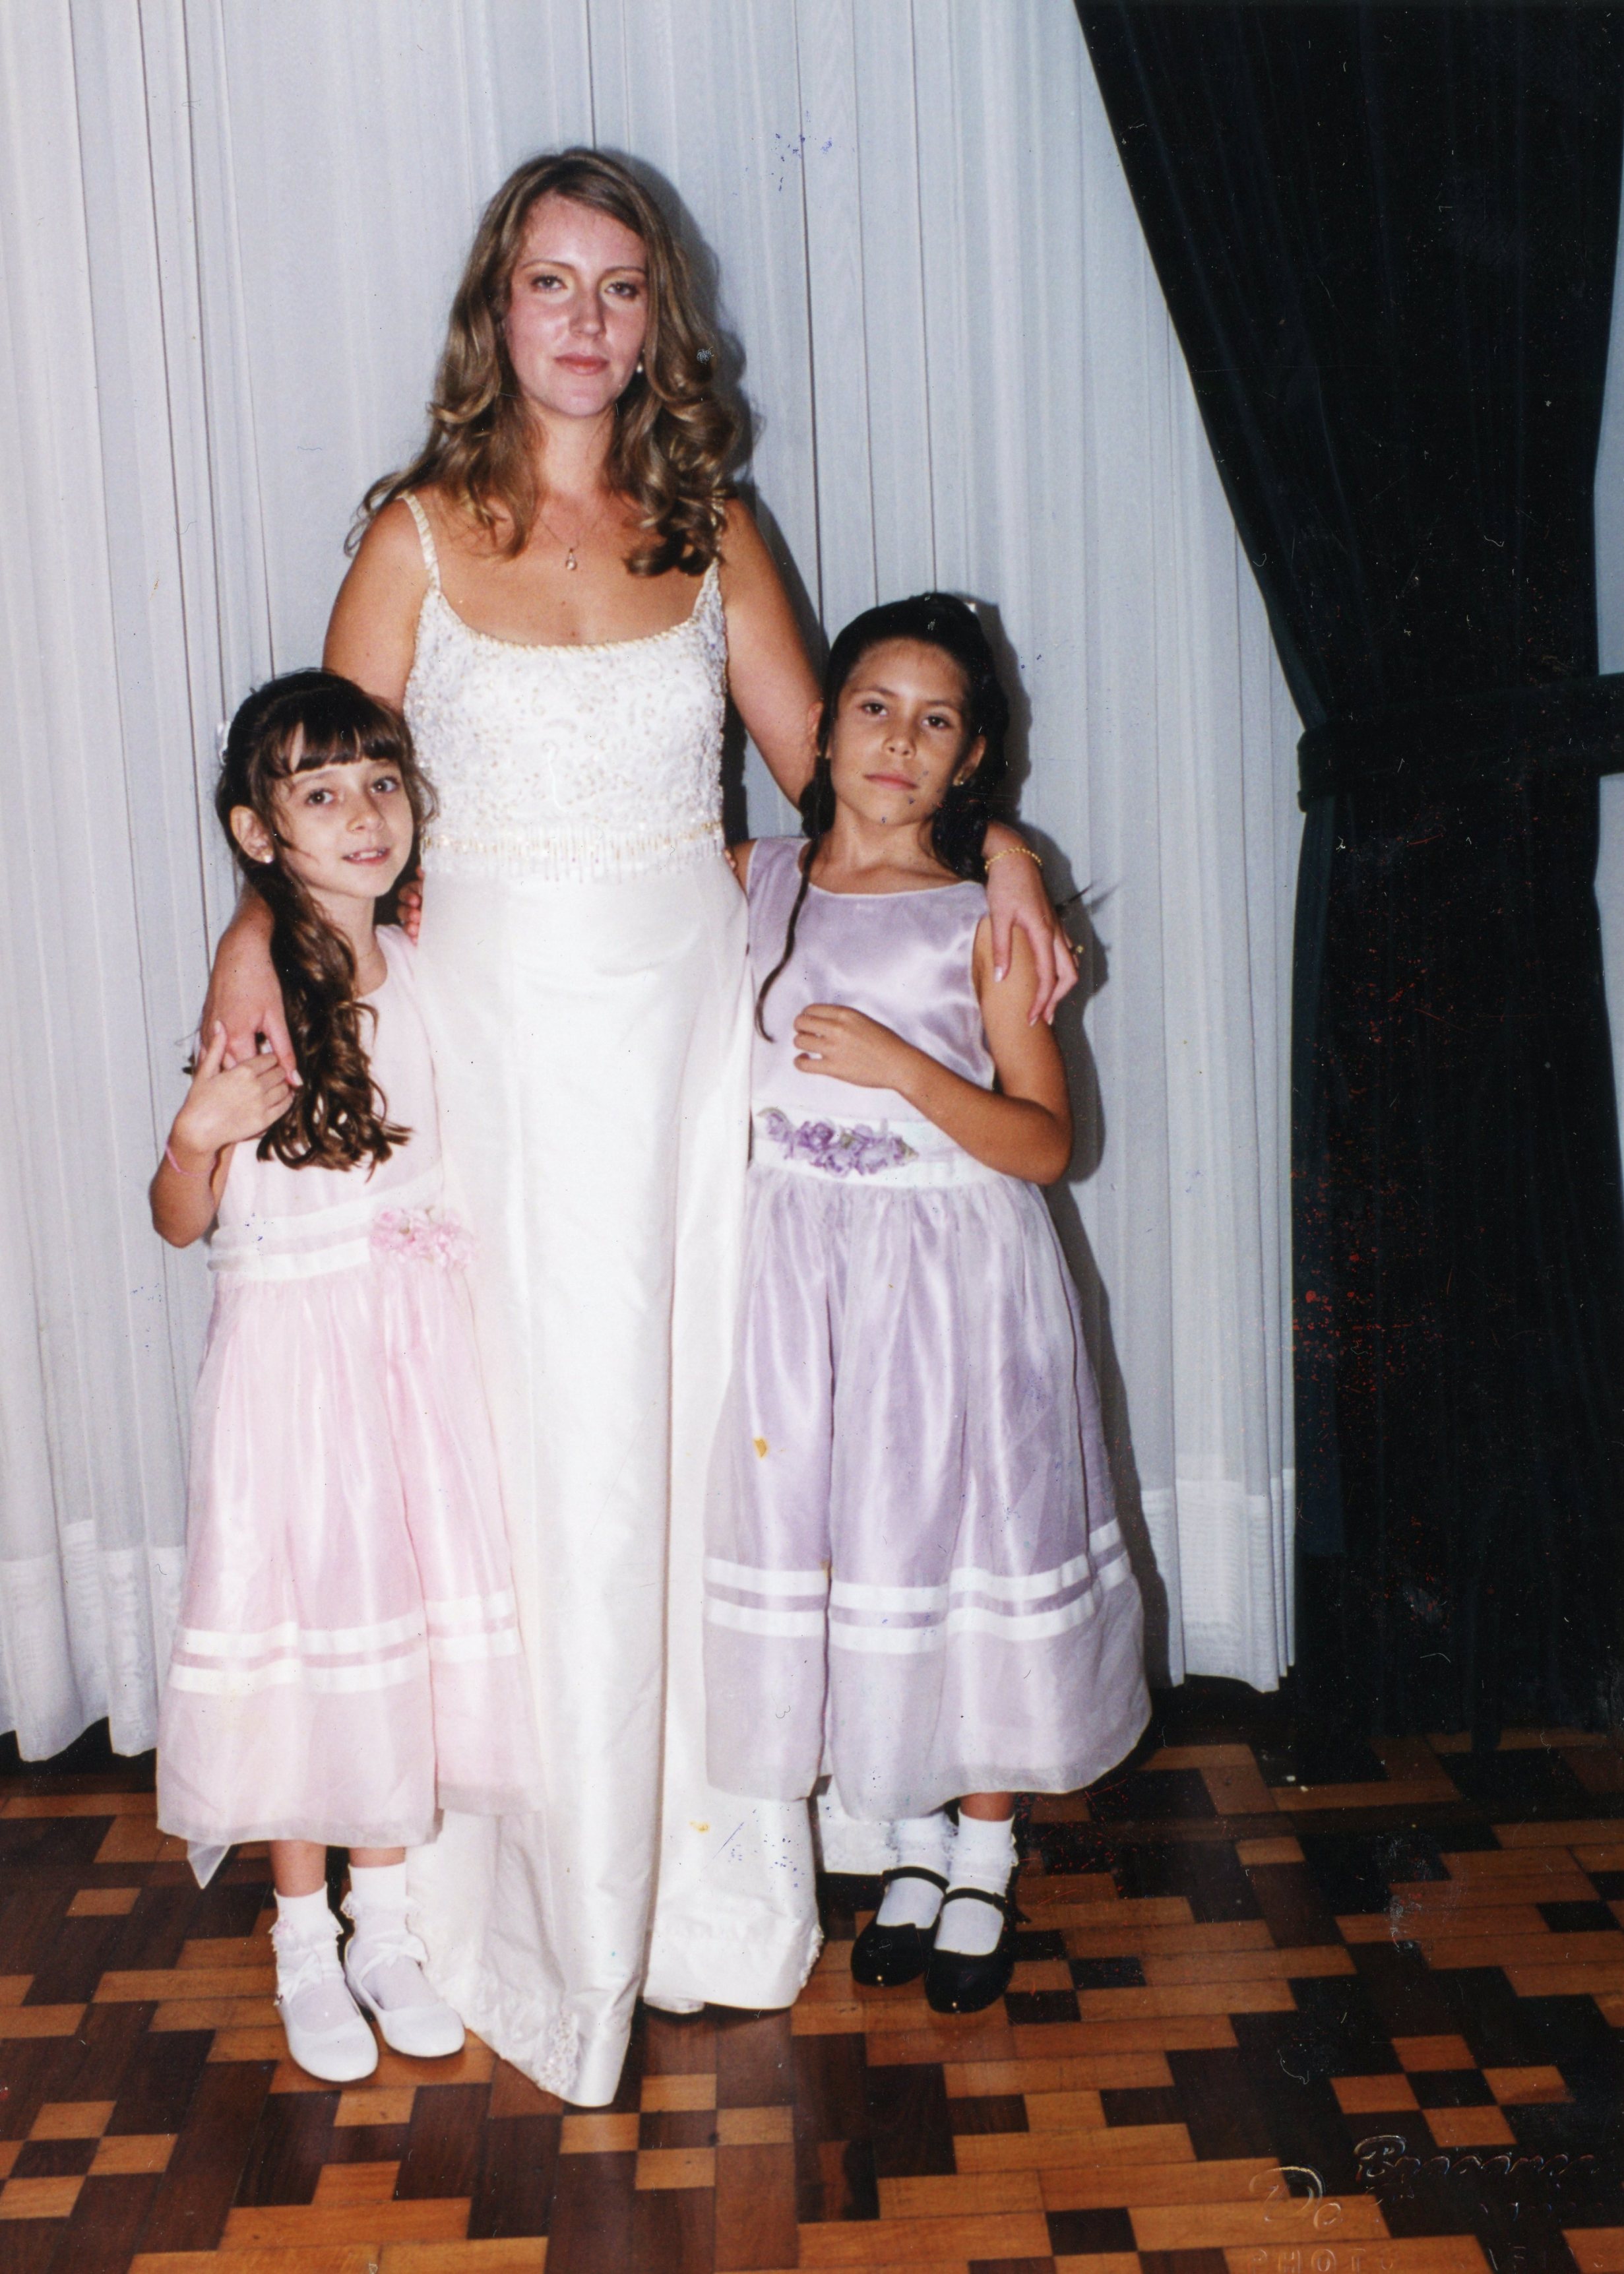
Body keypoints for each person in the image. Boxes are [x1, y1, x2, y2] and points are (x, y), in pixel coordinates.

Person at [203, 150, 1076, 2104]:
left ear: (657, 318)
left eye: (619, 287)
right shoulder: (414, 537)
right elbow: (313, 794)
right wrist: (251, 950)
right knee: (518, 1451)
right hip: (492, 1049)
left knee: (682, 1438)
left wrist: (1003, 843)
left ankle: (693, 1894)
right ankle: (496, 1901)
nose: (585, 320)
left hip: (685, 1038)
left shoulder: (714, 525)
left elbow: (846, 776)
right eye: (551, 283)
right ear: (495, 309)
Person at [704, 596, 1149, 2013]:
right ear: (820, 725)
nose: (899, 741)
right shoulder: (751, 877)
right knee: (858, 1546)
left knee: (968, 1540)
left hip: (952, 1277)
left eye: (936, 719)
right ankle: (904, 1841)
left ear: (971, 759)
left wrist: (907, 1066)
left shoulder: (985, 916)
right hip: (800, 1284)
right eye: (874, 707)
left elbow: (1045, 1142)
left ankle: (984, 1850)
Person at [153, 671, 536, 2083]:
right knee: (305, 1639)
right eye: (320, 793)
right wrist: (198, 1134)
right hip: (291, 1376)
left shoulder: (424, 964)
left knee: (396, 1630)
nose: (364, 814)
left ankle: (386, 1928)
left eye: (380, 782)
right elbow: (178, 1218)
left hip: (411, 1360)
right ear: (259, 833)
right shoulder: (257, 994)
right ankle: (303, 1936)